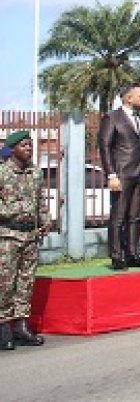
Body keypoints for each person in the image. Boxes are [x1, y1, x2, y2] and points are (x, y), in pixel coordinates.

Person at [0, 131, 49, 350]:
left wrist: (45, 220)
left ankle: (20, 326)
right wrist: (17, 209)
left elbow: (40, 200)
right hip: (8, 235)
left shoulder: (35, 172)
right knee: (5, 283)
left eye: (30, 145)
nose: (28, 148)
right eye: (24, 145)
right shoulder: (2, 172)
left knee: (26, 282)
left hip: (30, 235)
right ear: (12, 149)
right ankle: (3, 328)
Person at [97, 82, 140, 270]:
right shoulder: (112, 118)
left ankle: (132, 254)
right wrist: (111, 174)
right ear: (128, 98)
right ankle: (116, 256)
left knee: (135, 217)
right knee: (118, 216)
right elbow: (105, 148)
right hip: (121, 173)